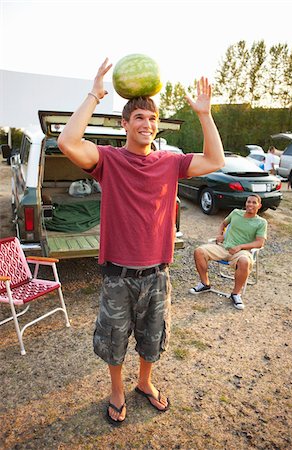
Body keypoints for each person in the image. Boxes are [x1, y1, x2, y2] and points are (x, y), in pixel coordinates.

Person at [57, 58, 225, 426]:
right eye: (139, 118)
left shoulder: (171, 162)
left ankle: (145, 384)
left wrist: (205, 115)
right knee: (114, 341)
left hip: (157, 274)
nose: (146, 124)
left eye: (151, 119)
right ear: (125, 124)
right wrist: (95, 94)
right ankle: (117, 391)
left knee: (153, 339)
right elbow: (68, 141)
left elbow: (216, 159)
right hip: (118, 276)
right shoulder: (108, 160)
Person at [189, 194, 267, 310]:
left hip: (242, 252)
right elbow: (223, 224)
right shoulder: (235, 213)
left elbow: (259, 243)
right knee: (199, 251)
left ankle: (235, 294)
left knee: (244, 261)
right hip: (224, 248)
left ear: (259, 206)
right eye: (248, 201)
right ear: (245, 203)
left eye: (254, 202)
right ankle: (205, 284)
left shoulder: (261, 222)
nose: (250, 204)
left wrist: (240, 247)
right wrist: (220, 234)